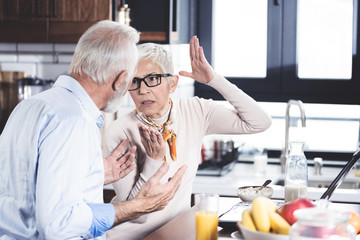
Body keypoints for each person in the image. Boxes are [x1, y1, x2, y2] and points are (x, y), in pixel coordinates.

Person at [0, 20, 187, 240]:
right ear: (119, 80)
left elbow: (23, 190)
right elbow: (57, 224)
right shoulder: (73, 120)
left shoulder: (30, 105)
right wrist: (138, 206)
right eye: (129, 81)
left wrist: (90, 175)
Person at [103, 36, 272, 239]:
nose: (143, 90)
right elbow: (136, 215)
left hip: (176, 232)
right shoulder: (119, 131)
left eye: (153, 79)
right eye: (135, 82)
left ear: (173, 83)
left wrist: (214, 80)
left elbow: (259, 122)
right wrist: (154, 160)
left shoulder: (196, 110)